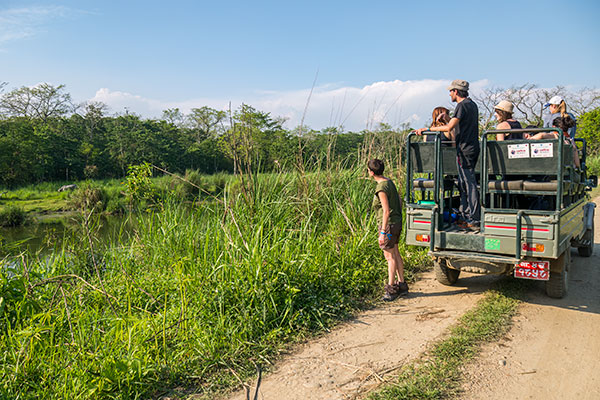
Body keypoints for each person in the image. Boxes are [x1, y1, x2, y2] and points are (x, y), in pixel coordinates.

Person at [415, 79, 480, 231]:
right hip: (470, 147)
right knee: (464, 183)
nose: (449, 94)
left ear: (456, 91)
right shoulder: (472, 104)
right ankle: (466, 215)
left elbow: (451, 127)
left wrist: (428, 129)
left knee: (469, 184)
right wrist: (447, 119)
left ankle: (474, 218)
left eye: (450, 91)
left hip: (465, 149)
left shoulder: (461, 105)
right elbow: (457, 125)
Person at [368, 159, 408, 301]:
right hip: (396, 222)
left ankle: (391, 289)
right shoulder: (389, 182)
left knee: (389, 257)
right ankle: (402, 284)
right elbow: (398, 199)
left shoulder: (381, 188)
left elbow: (385, 211)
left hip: (389, 225)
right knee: (396, 253)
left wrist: (383, 232)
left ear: (371, 172)